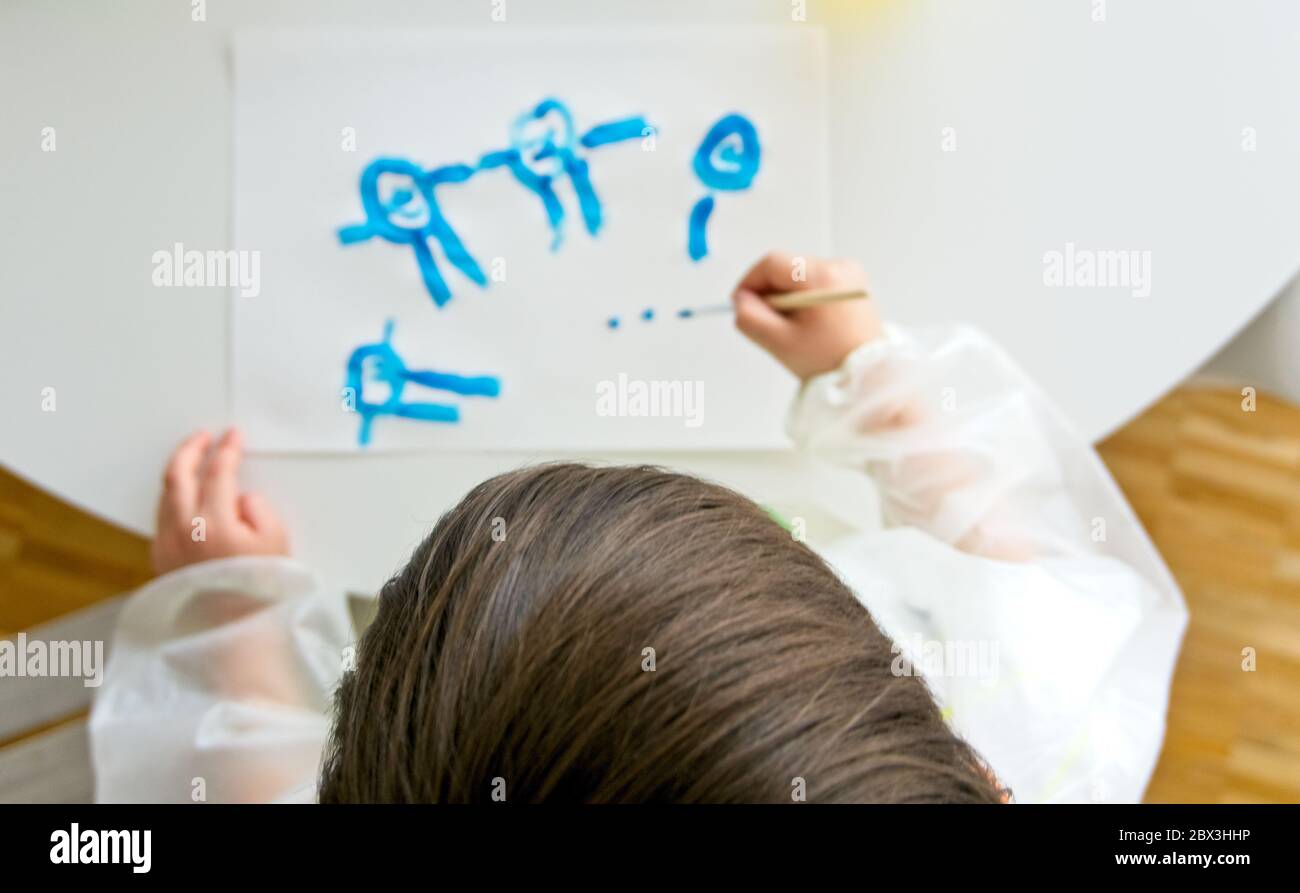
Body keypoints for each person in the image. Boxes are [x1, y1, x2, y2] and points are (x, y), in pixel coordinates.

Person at [90, 252, 1187, 803]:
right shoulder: (1049, 711)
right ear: (989, 782)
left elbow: (249, 782)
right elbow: (1004, 546)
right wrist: (871, 384)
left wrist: (233, 634)